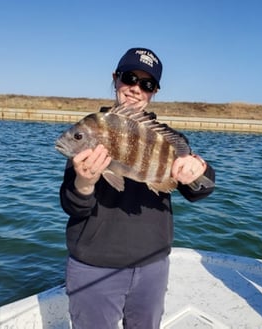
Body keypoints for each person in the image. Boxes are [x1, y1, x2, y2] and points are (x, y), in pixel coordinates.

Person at [59, 47, 215, 329]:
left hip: (151, 267)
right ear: (115, 77)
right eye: (129, 77)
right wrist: (84, 182)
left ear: (154, 91)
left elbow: (199, 190)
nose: (135, 89)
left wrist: (199, 171)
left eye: (146, 84)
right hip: (94, 267)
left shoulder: (167, 139)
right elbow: (72, 205)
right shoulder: (92, 128)